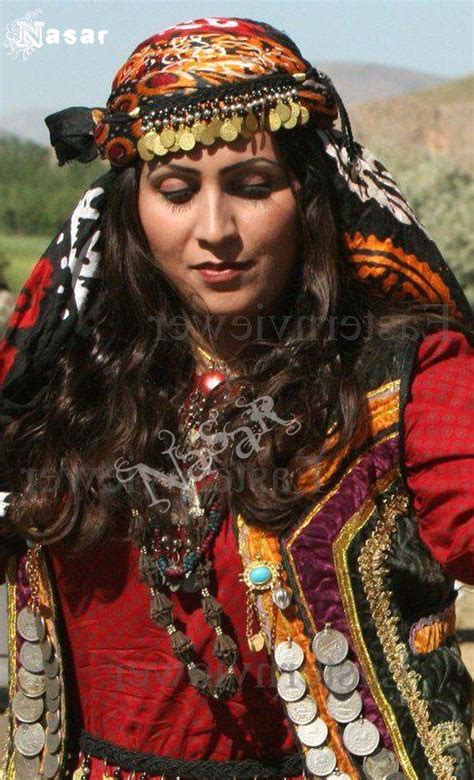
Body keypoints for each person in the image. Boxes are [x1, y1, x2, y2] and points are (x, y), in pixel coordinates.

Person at [0, 16, 473, 780]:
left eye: (253, 188)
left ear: (309, 196)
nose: (215, 229)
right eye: (177, 191)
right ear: (131, 207)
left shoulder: (400, 373)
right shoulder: (61, 384)